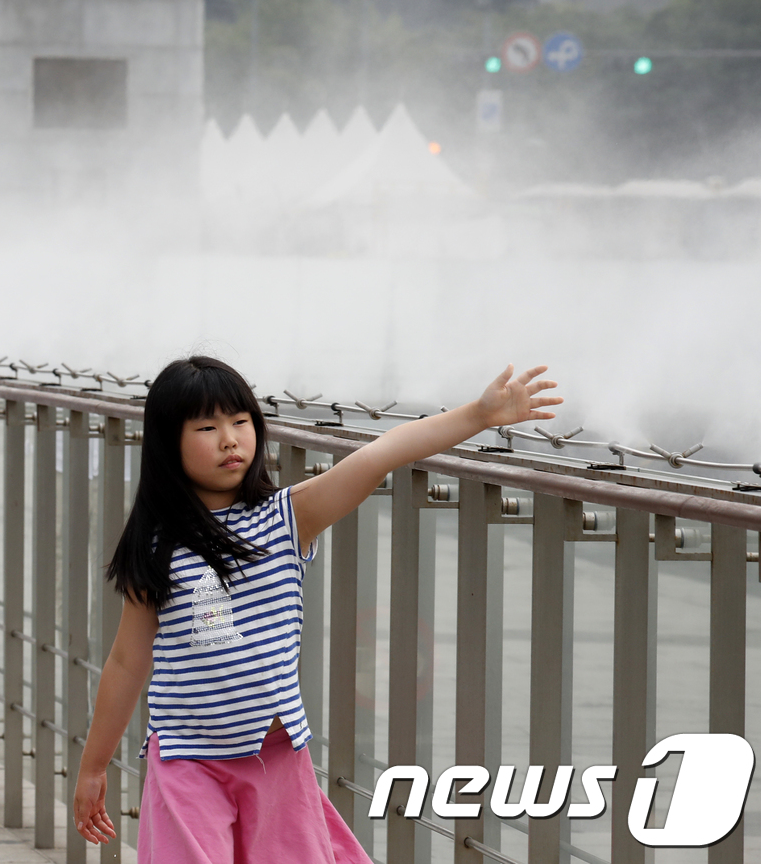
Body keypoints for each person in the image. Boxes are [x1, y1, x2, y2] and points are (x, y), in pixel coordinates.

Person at [73, 356, 561, 863]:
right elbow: (128, 662)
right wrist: (94, 766)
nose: (229, 439)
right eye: (206, 427)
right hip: (186, 762)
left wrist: (479, 415)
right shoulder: (156, 545)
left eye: (241, 422)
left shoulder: (286, 517)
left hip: (277, 756)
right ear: (168, 446)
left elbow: (379, 456)